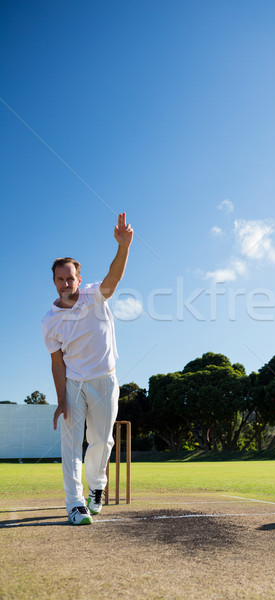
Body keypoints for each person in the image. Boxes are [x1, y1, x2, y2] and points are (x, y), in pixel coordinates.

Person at [41, 213, 134, 525]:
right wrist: (62, 399)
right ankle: (74, 502)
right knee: (70, 443)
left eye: (70, 278)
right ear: (54, 282)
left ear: (79, 279)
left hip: (105, 380)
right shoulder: (49, 321)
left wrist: (123, 247)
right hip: (73, 384)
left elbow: (114, 278)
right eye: (60, 279)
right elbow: (57, 363)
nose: (66, 283)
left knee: (102, 440)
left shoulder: (95, 295)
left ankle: (97, 488)